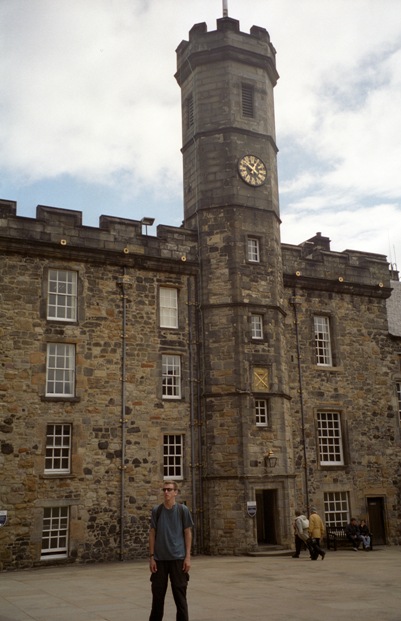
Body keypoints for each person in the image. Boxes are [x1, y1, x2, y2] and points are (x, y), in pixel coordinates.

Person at [148, 481, 194, 621]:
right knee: (157, 600)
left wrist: (187, 557)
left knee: (180, 599)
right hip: (160, 560)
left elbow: (187, 533)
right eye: (164, 490)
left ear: (176, 492)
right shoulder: (157, 510)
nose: (166, 492)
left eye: (169, 490)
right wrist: (151, 557)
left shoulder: (182, 510)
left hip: (178, 560)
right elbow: (152, 533)